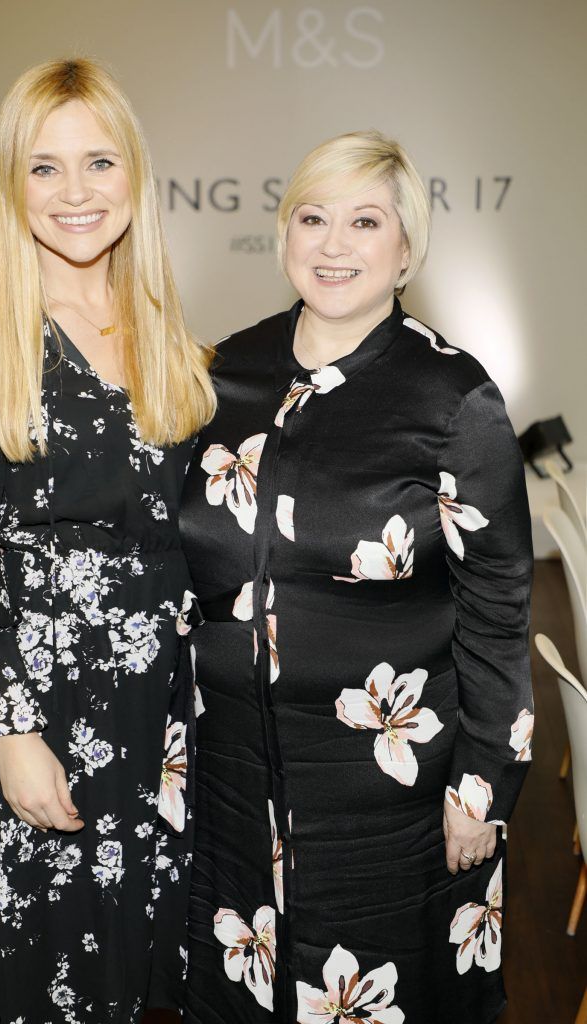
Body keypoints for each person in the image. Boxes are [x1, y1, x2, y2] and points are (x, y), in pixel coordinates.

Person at [178, 130, 533, 1024]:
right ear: (283, 232)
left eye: (364, 222)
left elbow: (496, 606)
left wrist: (481, 785)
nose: (333, 244)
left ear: (405, 248)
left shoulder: (453, 397)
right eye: (312, 217)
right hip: (229, 777)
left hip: (387, 788)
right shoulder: (222, 373)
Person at [0, 58, 214, 1024]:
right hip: (43, 722)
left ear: (134, 176)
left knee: (146, 975)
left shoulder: (166, 335)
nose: (75, 193)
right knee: (44, 984)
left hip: (165, 720)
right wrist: (10, 737)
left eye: (97, 162)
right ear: (11, 185)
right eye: (44, 168)